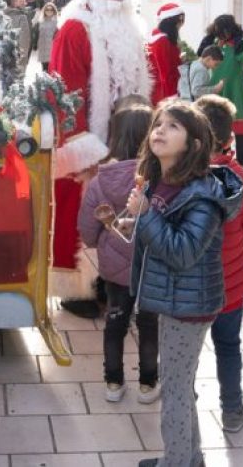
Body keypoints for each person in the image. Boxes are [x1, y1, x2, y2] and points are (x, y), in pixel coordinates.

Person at [124, 100, 243, 467]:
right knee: (179, 386)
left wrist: (144, 218)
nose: (159, 130)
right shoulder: (165, 182)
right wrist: (137, 224)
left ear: (193, 144)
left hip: (189, 306)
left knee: (174, 391)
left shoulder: (202, 195)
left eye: (172, 127)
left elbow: (182, 252)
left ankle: (177, 462)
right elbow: (167, 233)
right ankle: (189, 458)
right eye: (158, 124)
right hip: (175, 300)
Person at [48, 0, 152, 317]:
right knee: (83, 212)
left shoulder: (134, 30)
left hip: (127, 140)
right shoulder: (75, 29)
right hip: (90, 141)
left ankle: (115, 282)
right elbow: (66, 91)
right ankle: (77, 290)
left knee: (126, 208)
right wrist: (83, 146)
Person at [194, 93, 243, 433]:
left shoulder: (180, 177)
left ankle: (184, 401)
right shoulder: (239, 180)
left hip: (190, 289)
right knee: (228, 347)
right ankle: (233, 410)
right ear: (228, 139)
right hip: (228, 286)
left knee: (186, 353)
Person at [77, 104, 159, 404]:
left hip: (113, 266)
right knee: (150, 324)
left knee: (116, 321)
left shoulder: (102, 179)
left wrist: (99, 239)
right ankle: (148, 383)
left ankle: (113, 382)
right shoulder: (161, 178)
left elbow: (86, 226)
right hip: (152, 263)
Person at [198, 14, 243, 165]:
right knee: (217, 123)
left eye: (223, 30)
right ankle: (219, 158)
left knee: (241, 125)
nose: (221, 33)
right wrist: (210, 38)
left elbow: (241, 56)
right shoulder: (215, 42)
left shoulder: (239, 42)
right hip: (217, 86)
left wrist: (236, 43)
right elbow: (201, 53)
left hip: (236, 87)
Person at [147, 2, 186, 105]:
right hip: (165, 91)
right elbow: (165, 72)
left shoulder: (161, 36)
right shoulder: (162, 40)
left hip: (164, 87)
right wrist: (172, 95)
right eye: (179, 20)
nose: (181, 24)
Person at [33, 1, 59, 71]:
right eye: (47, 9)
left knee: (53, 69)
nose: (49, 11)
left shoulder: (57, 22)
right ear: (44, 10)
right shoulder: (40, 21)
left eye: (51, 9)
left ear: (54, 11)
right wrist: (35, 44)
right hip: (43, 48)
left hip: (53, 48)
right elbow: (36, 34)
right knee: (44, 69)